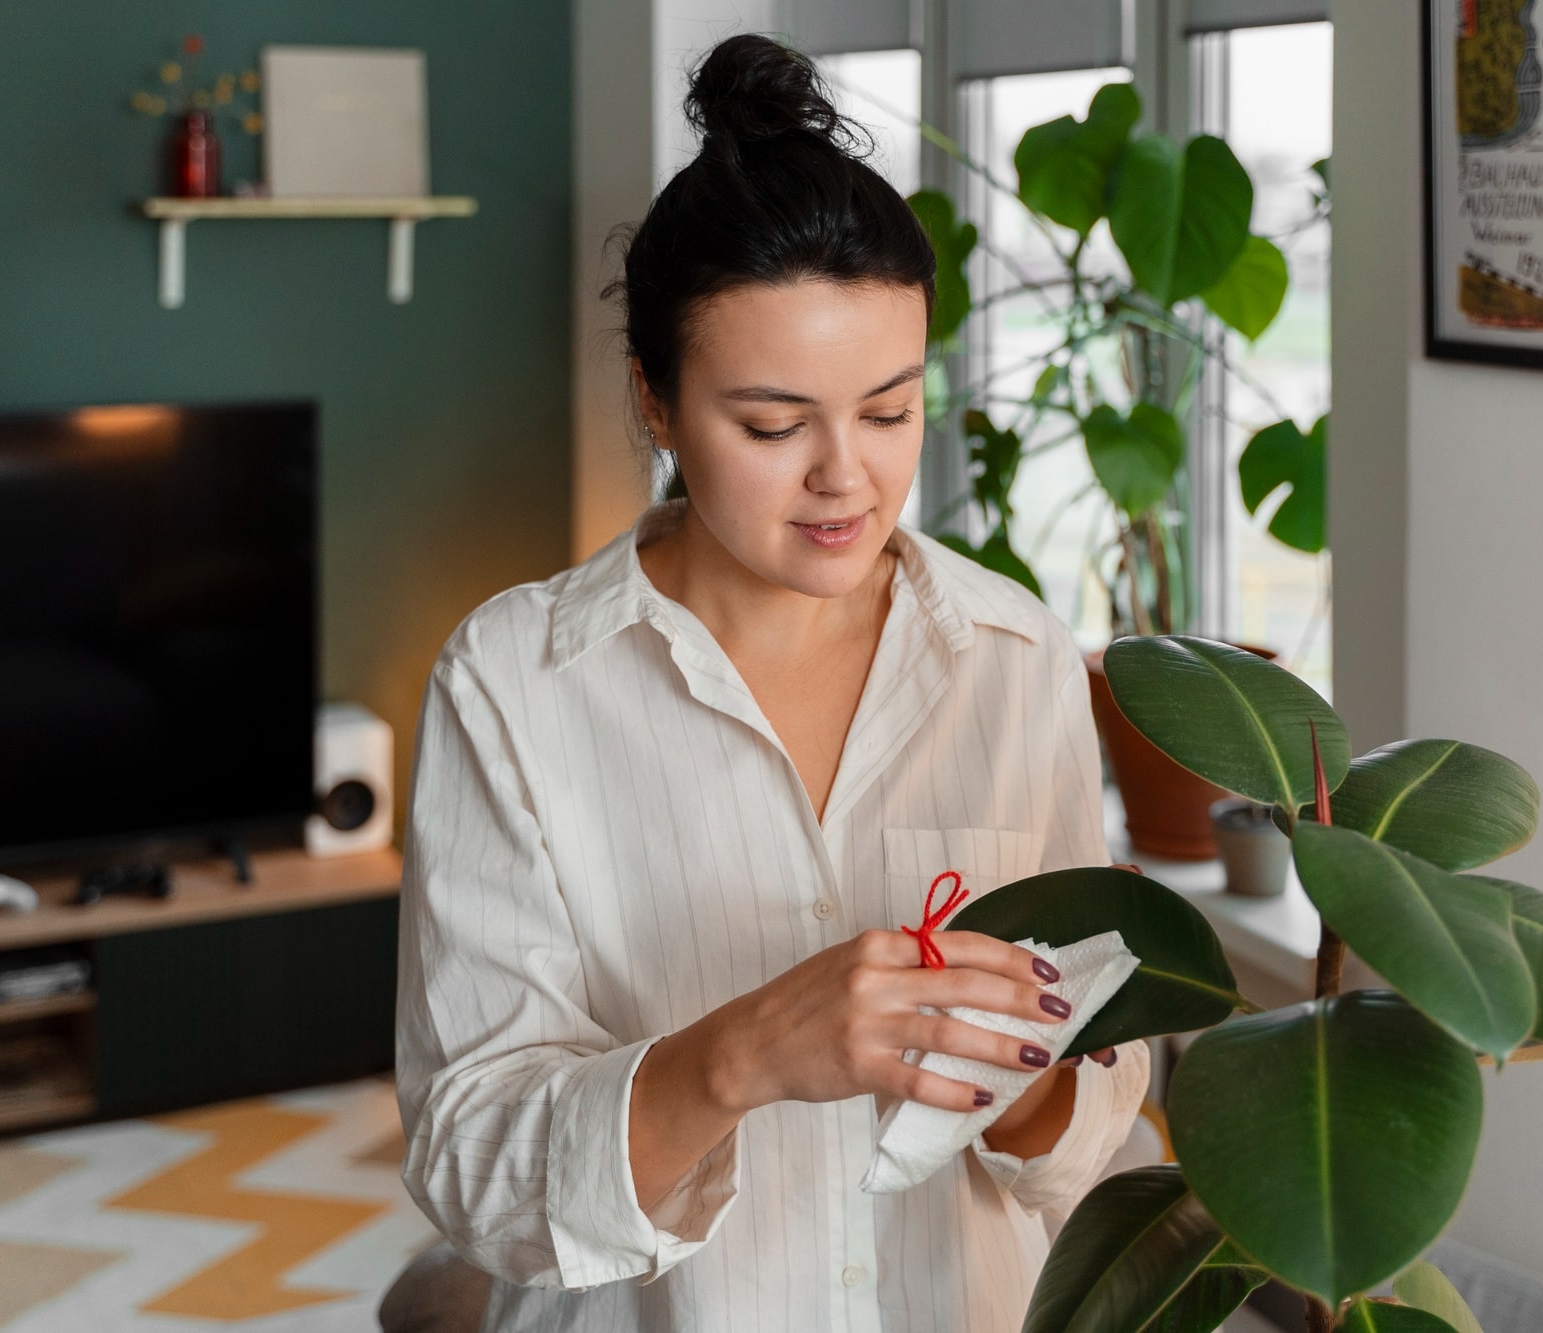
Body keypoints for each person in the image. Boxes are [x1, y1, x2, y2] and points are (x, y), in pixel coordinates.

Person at [394, 32, 1152, 1332]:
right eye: (772, 424)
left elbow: (1091, 1111)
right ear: (656, 402)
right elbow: (474, 1162)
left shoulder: (1015, 656)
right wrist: (744, 1052)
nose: (845, 476)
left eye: (890, 408)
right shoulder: (515, 680)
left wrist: (1018, 1077)